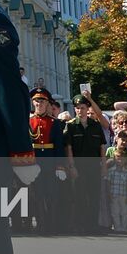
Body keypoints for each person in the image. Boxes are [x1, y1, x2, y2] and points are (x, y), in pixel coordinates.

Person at [64, 93, 107, 234]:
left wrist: (104, 166)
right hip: (79, 166)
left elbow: (101, 147)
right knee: (79, 197)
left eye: (82, 108)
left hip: (94, 166)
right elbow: (69, 148)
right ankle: (80, 225)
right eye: (77, 108)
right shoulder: (71, 126)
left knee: (94, 196)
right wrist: (72, 167)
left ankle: (92, 225)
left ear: (87, 108)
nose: (80, 111)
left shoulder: (95, 125)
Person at [27, 86, 66, 234]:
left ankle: (52, 224)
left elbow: (59, 146)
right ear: (33, 102)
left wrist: (60, 166)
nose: (39, 104)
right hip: (35, 161)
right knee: (38, 194)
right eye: (37, 101)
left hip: (50, 160)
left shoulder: (54, 122)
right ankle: (41, 224)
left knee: (52, 194)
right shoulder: (29, 121)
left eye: (42, 101)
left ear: (47, 103)